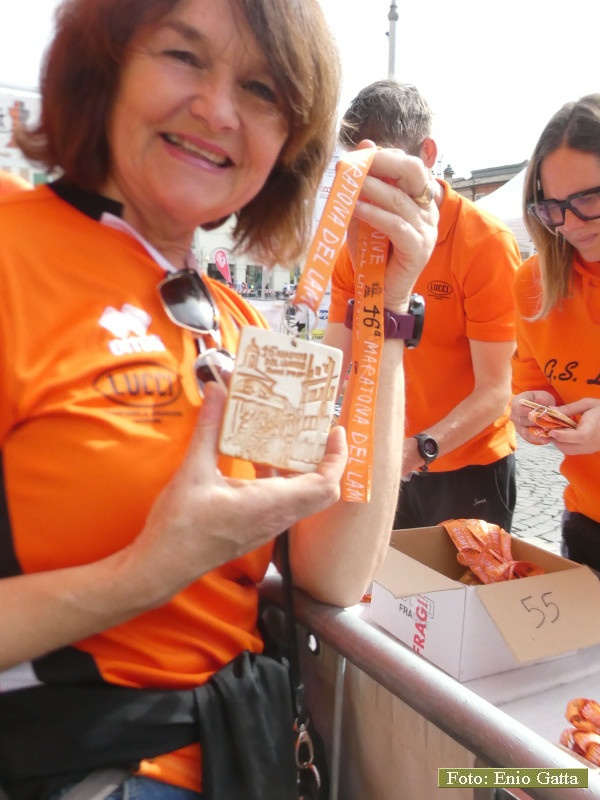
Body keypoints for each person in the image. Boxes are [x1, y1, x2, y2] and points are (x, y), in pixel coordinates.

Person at [0, 2, 437, 799]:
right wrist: (145, 572)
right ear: (106, 68)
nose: (219, 110)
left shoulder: (234, 321)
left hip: (243, 758)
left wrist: (386, 305)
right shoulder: (12, 250)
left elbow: (333, 572)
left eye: (262, 90)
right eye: (183, 56)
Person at [326, 80, 521, 531]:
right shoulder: (356, 243)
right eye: (359, 175)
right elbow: (337, 357)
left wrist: (419, 448)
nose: (373, 193)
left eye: (387, 173)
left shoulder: (484, 243)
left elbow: (496, 390)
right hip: (385, 455)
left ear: (427, 155)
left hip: (468, 465)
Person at [510, 93, 600, 571]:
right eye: (552, 207)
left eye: (589, 198)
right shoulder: (533, 284)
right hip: (585, 522)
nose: (570, 223)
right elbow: (530, 383)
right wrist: (528, 408)